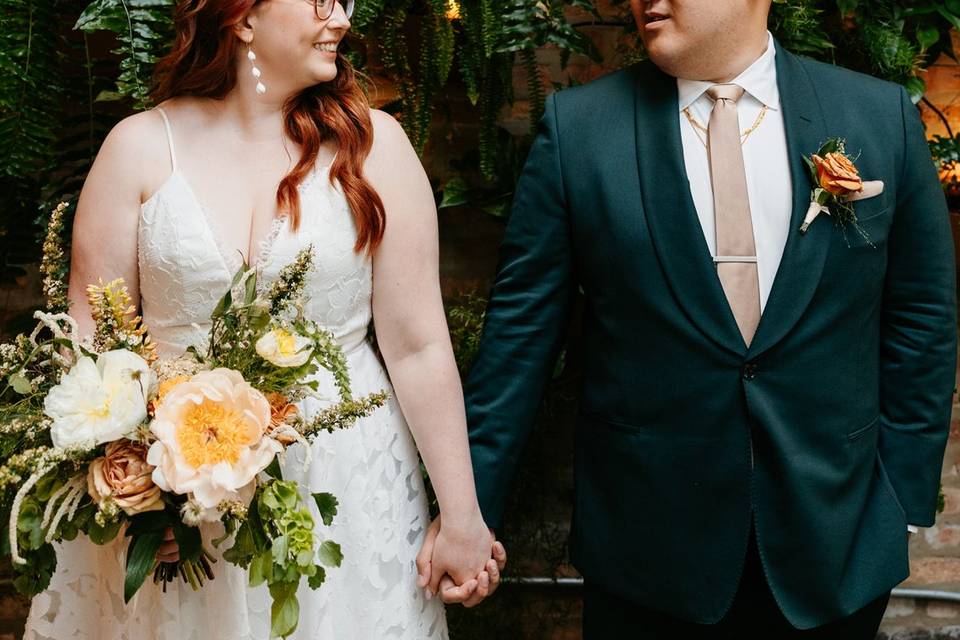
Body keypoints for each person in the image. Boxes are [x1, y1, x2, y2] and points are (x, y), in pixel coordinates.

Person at [454, 0, 957, 637]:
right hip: (647, 555)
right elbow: (520, 337)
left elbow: (922, 316)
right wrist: (470, 511)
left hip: (835, 544)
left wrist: (902, 500)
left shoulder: (878, 114)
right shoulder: (581, 130)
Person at [23, 1, 504, 638]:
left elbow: (417, 347)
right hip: (177, 504)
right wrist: (132, 500)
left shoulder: (375, 146)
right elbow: (89, 350)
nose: (342, 18)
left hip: (347, 484)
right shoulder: (137, 149)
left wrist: (462, 514)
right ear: (242, 16)